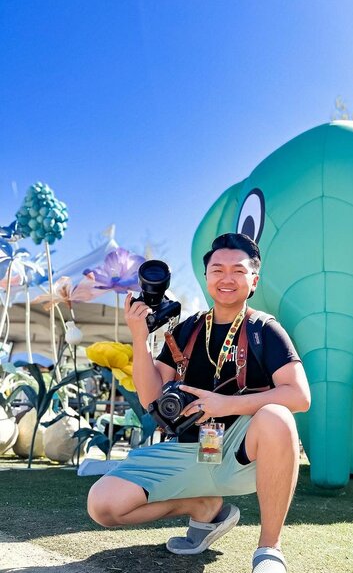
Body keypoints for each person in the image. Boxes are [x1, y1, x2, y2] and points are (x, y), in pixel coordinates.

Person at [87, 233, 311, 573]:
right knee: (102, 506)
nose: (227, 278)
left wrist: (225, 404)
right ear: (206, 277)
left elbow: (299, 395)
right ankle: (204, 506)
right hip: (187, 449)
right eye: (217, 270)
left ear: (254, 280)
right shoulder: (186, 330)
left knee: (278, 416)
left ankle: (269, 549)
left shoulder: (264, 329)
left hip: (242, 452)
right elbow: (151, 399)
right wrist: (138, 334)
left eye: (238, 270)